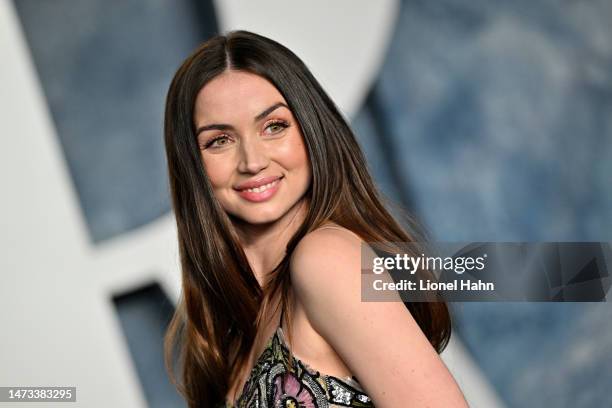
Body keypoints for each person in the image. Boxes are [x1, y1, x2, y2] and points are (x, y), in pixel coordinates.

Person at [163, 30, 468, 408]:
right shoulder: (236, 328)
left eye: (274, 126)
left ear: (311, 130)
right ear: (193, 164)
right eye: (219, 140)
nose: (252, 161)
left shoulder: (325, 259)